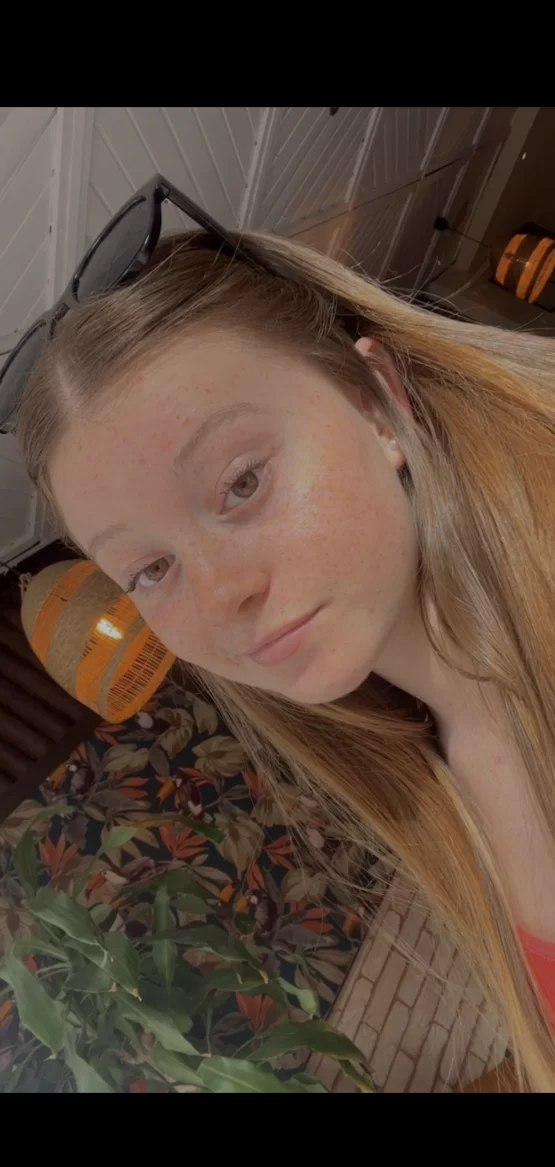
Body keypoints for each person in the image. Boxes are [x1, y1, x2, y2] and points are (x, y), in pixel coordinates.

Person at [9, 191, 555, 1092]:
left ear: (377, 404)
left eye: (241, 483)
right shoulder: (443, 757)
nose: (220, 596)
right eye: (149, 569)